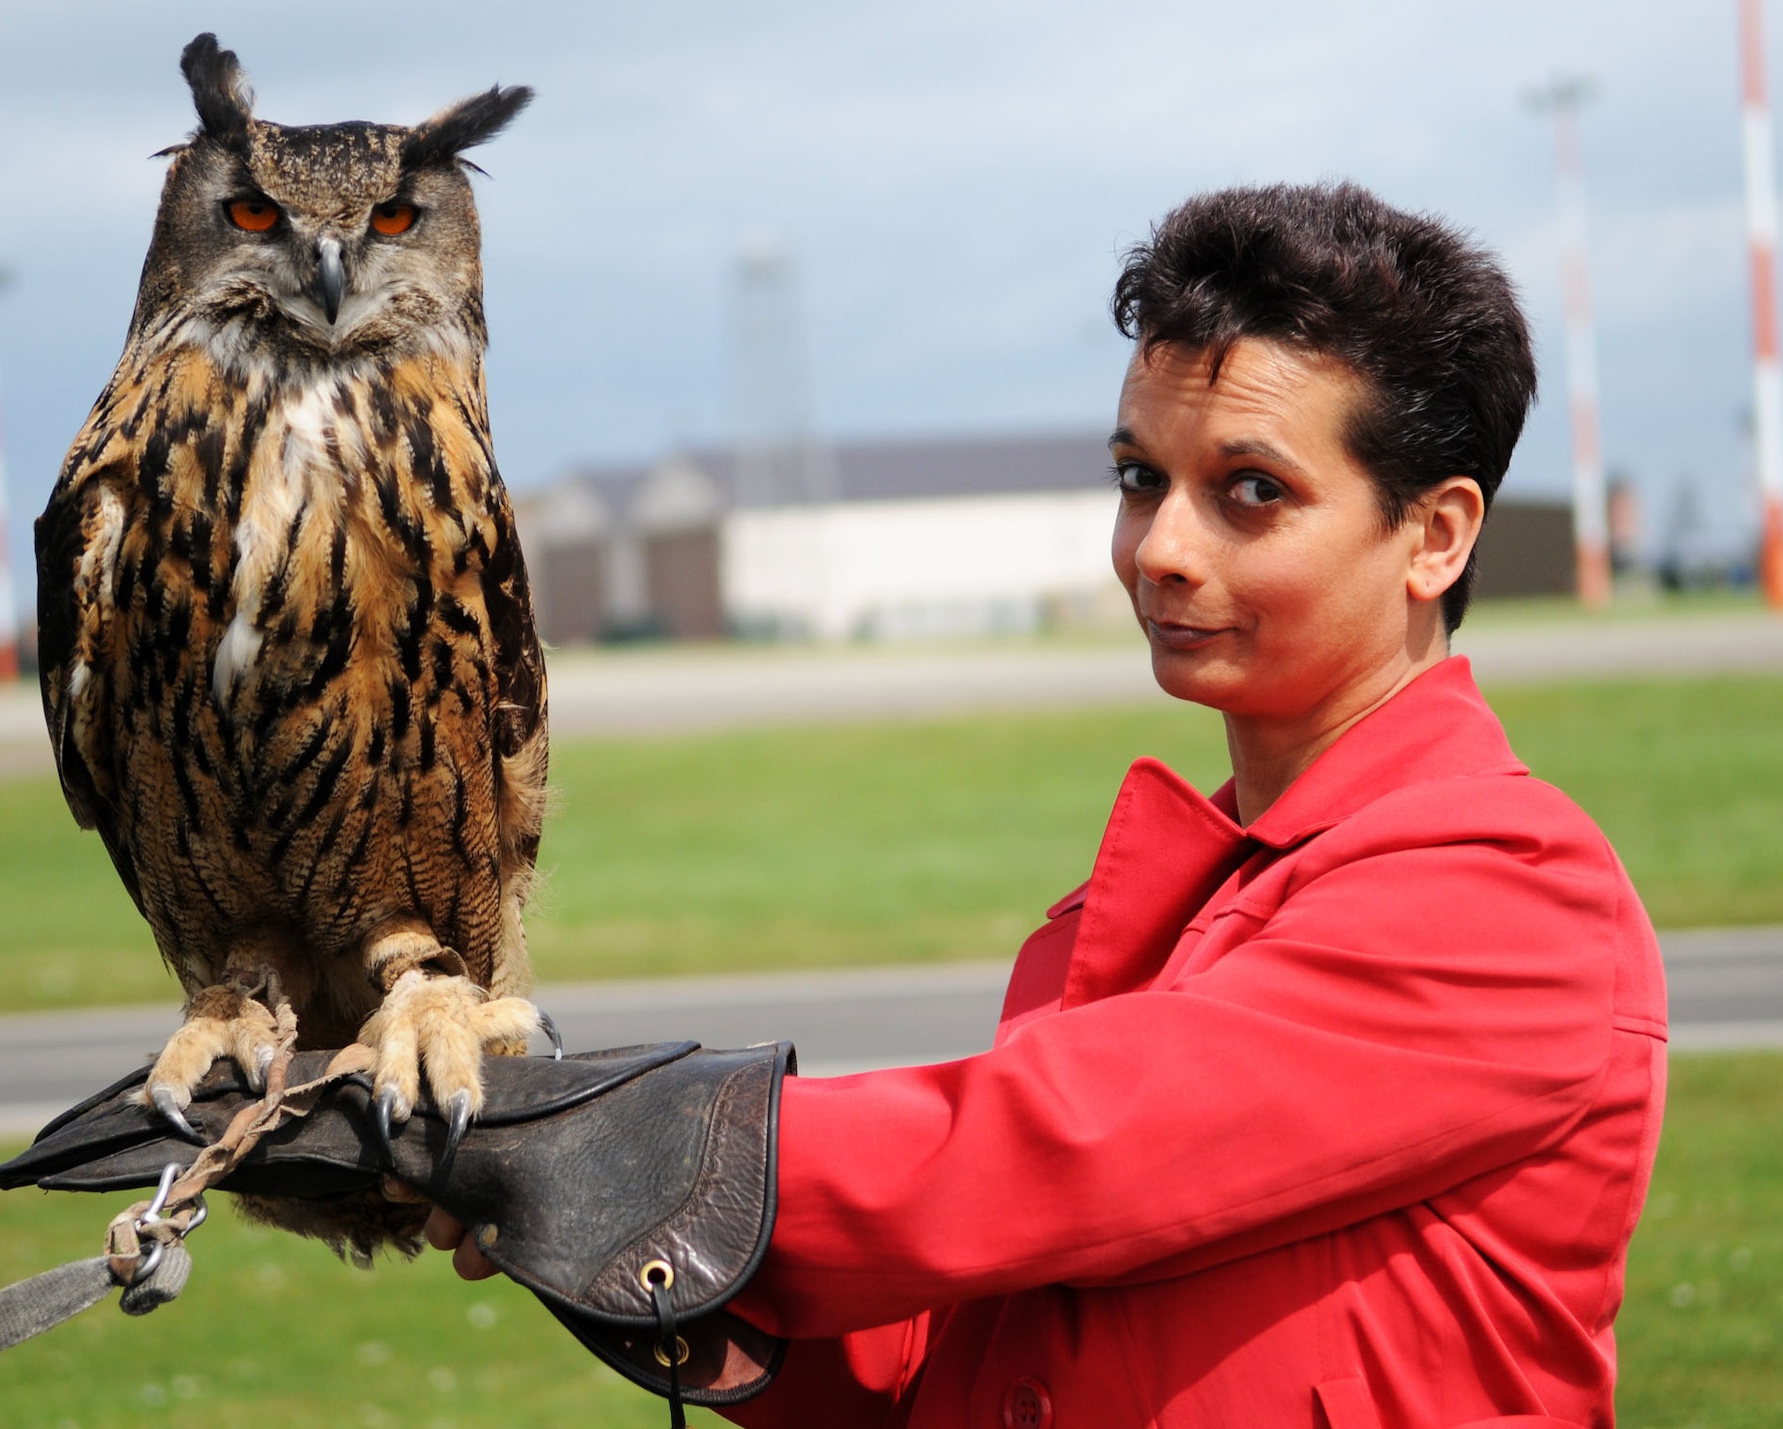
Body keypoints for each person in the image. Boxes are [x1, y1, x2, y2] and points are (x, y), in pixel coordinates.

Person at [428, 181, 1666, 1428]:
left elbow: (1039, 1154)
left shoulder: (1507, 886)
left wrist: (590, 1143)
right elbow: (942, 1355)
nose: (1159, 548)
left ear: (1435, 536)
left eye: (1250, 490)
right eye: (1140, 478)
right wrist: (582, 1231)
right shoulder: (1158, 900)